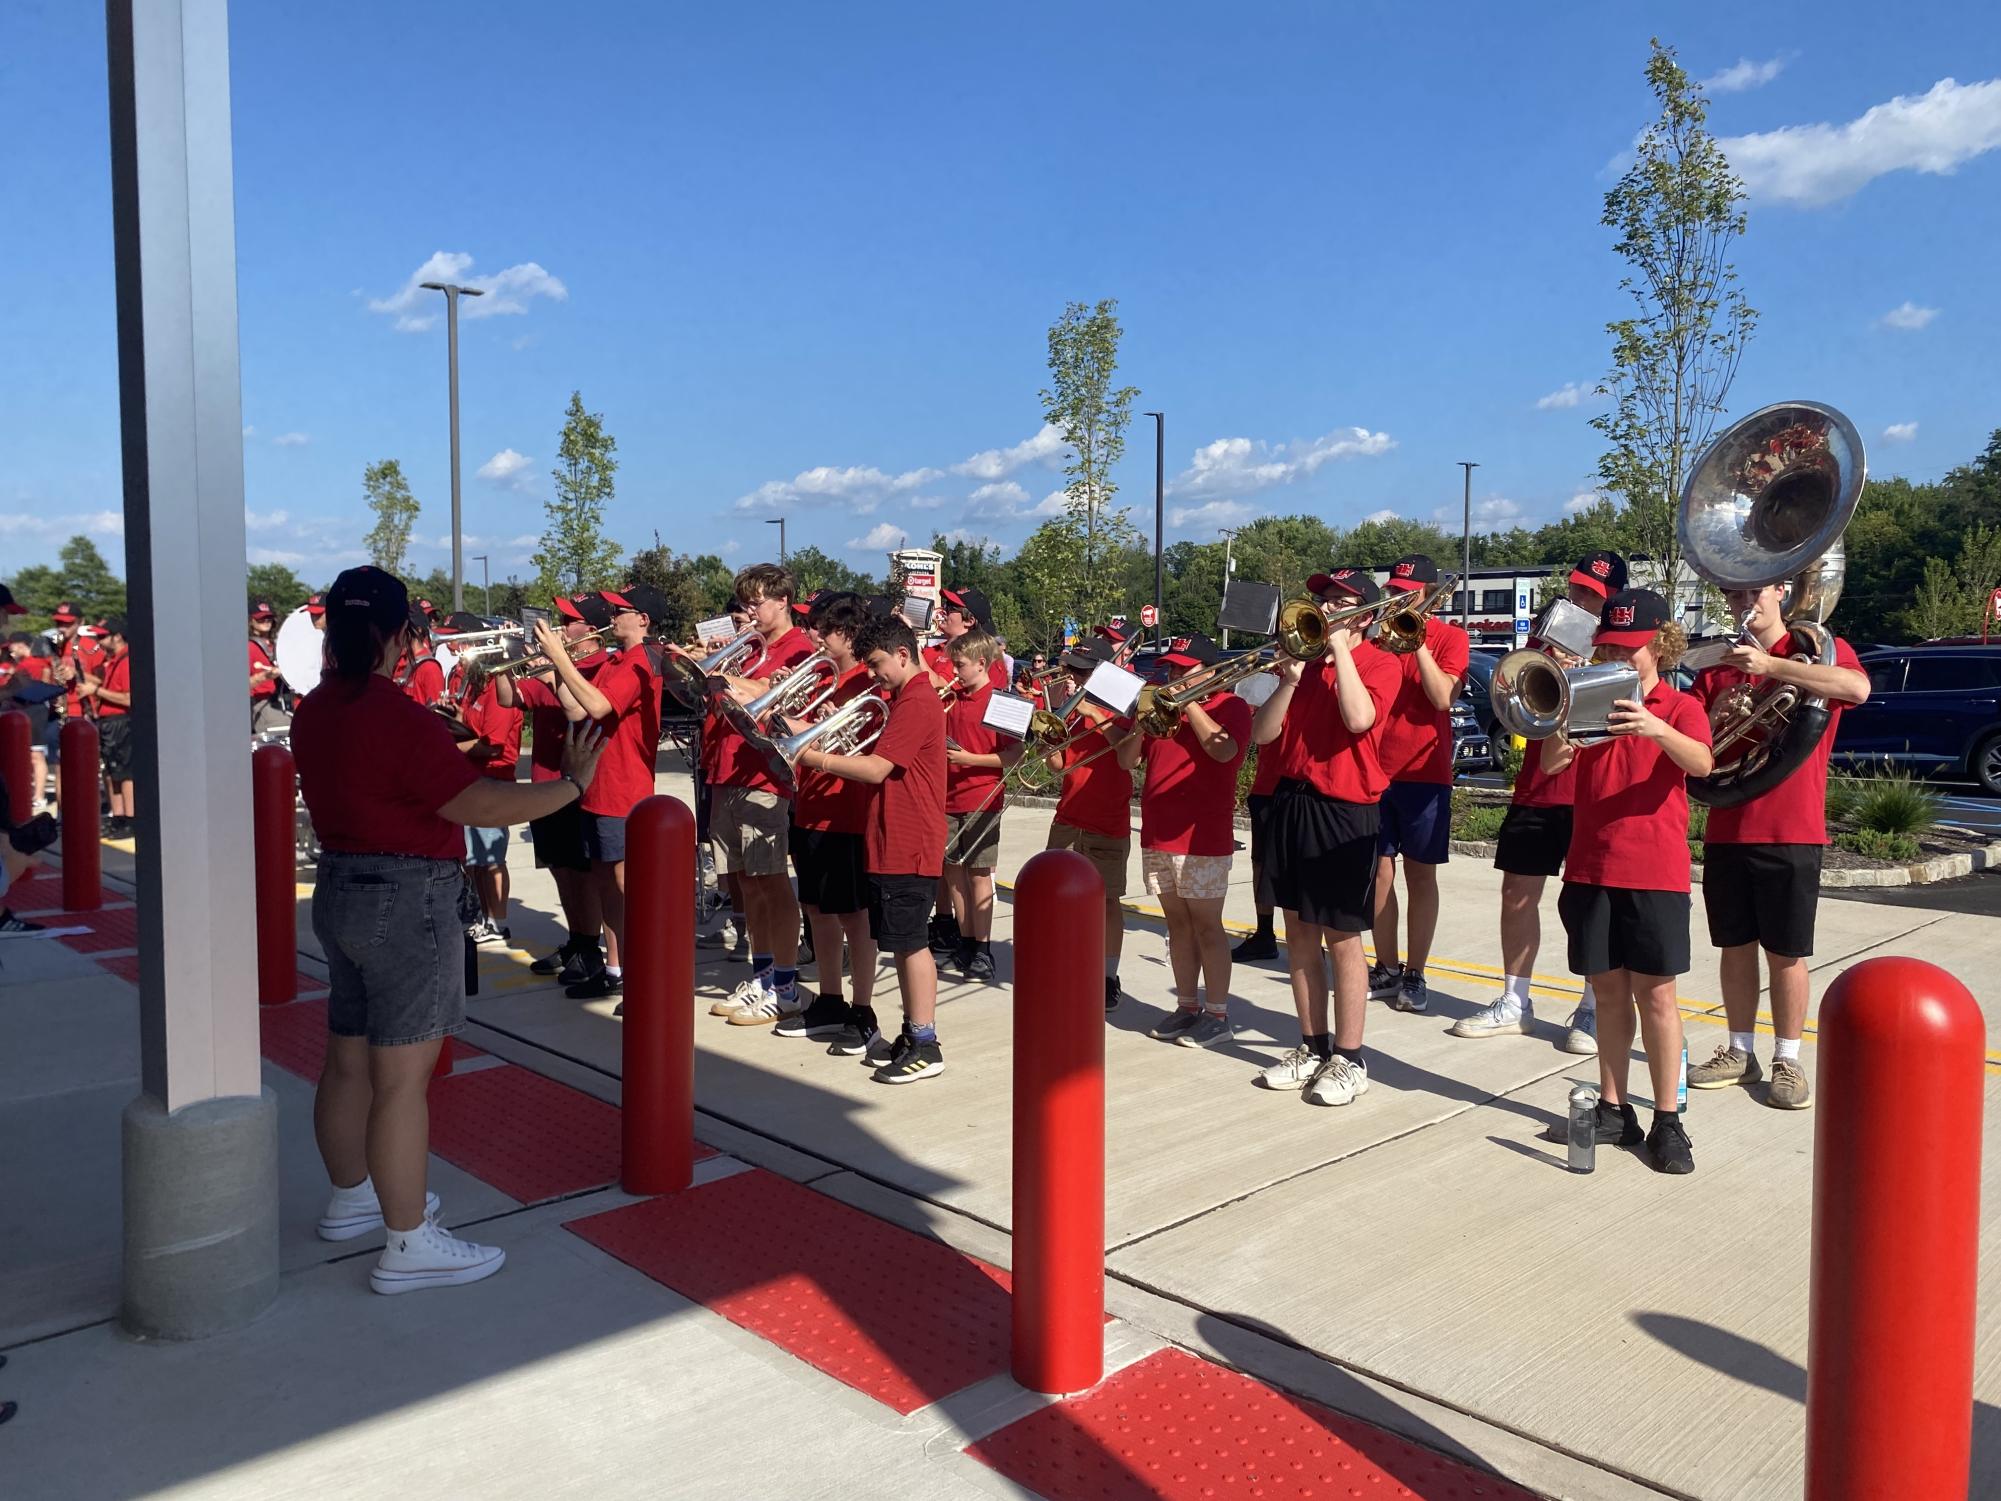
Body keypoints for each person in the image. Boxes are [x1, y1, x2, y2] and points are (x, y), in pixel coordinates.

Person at [292, 566, 605, 1294]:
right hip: (404, 895)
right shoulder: (394, 712)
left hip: (339, 885)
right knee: (402, 1082)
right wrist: (570, 786)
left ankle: (352, 1198)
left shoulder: (315, 707)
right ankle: (407, 1242)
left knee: (346, 1058)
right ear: (400, 633)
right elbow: (476, 801)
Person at [1544, 588, 1714, 1174]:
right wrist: (1557, 747)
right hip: (1590, 866)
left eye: (1630, 648)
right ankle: (1615, 1107)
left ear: (1659, 647)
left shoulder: (1678, 705)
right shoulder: (1584, 701)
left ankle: (1669, 1119)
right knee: (1609, 995)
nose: (1619, 656)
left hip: (1653, 871)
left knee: (1658, 998)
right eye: (1610, 646)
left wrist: (1653, 728)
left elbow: (1703, 763)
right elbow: (1547, 765)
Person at [1686, 584, 1869, 1110]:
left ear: (1781, 592)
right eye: (1735, 595)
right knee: (1734, 946)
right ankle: (1740, 1051)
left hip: (1792, 828)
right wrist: (1719, 710)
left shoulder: (1810, 651)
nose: (1746, 604)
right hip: (1727, 825)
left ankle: (1788, 1057)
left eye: (1754, 592)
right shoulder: (1716, 670)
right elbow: (1697, 750)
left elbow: (1855, 690)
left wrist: (1773, 668)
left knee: (1786, 953)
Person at [1451, 550, 1627, 1049]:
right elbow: (1513, 704)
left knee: (1590, 903)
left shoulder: (1619, 648)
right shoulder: (1546, 637)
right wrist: (1552, 663)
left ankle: (1592, 1006)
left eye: (1592, 594)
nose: (1580, 599)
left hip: (1593, 790)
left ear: (1612, 599)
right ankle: (1515, 1000)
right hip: (1538, 786)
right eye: (1577, 589)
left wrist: (1587, 669)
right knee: (1517, 894)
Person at [1250, 569, 1402, 1105]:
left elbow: (1360, 720)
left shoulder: (1382, 664)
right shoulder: (1306, 668)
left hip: (1346, 809)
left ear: (1363, 614)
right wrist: (1290, 679)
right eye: (1324, 600)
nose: (1327, 607)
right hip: (1294, 800)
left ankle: (1351, 1056)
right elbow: (1262, 735)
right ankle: (1311, 1045)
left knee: (1342, 937)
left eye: (1341, 602)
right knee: (1298, 931)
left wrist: (1339, 648)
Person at [796, 613, 948, 1082]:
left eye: (879, 663)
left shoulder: (918, 701)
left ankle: (926, 1042)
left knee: (910, 945)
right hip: (889, 839)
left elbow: (879, 768)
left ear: (903, 654)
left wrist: (812, 755)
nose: (874, 673)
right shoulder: (903, 698)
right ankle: (911, 1030)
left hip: (909, 841)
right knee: (900, 944)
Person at [535, 585, 670, 1011]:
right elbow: (576, 709)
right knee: (604, 883)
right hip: (596, 785)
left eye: (620, 610)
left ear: (643, 619)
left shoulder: (641, 661)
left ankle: (646, 975)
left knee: (625, 886)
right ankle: (616, 970)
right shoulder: (614, 659)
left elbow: (598, 706)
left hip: (623, 789)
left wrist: (559, 657)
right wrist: (552, 671)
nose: (612, 615)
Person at [1123, 632, 1252, 1049]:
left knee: (1207, 927)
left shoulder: (1231, 706)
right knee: (1176, 925)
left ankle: (1218, 1013)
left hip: (1202, 835)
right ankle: (1187, 1005)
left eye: (1184, 669)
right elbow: (1127, 762)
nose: (1174, 677)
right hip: (1159, 831)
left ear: (1208, 672)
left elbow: (1223, 751)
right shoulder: (1159, 712)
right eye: (1172, 669)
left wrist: (1191, 701)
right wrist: (1134, 723)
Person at [700, 564, 817, 1023]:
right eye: (746, 602)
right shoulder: (751, 648)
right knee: (745, 884)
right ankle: (763, 975)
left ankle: (785, 985)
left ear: (783, 601)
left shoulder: (798, 648)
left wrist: (723, 676)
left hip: (764, 778)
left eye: (758, 602)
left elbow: (771, 696)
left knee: (771, 883)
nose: (749, 612)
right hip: (727, 770)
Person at [767, 592, 882, 1042]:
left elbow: (875, 747)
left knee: (854, 916)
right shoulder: (821, 676)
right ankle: (830, 1000)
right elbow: (799, 734)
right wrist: (787, 709)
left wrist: (825, 726)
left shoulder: (867, 683)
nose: (815, 637)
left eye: (824, 631)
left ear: (848, 634)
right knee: (815, 908)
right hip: (810, 803)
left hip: (845, 812)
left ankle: (862, 1008)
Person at [1367, 555, 1470, 1015]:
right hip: (1375, 769)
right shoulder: (1376, 639)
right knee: (1379, 873)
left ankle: (1416, 971)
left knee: (1420, 874)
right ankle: (1386, 966)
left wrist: (1418, 642)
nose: (1396, 597)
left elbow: (1442, 697)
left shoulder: (1452, 637)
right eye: (1392, 590)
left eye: (1406, 590)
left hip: (1424, 774)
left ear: (1428, 592)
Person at [499, 593, 612, 986]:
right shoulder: (556, 664)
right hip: (546, 780)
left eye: (570, 621)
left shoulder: (599, 666)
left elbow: (576, 709)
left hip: (579, 783)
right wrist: (501, 661)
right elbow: (509, 698)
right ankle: (577, 939)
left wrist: (553, 669)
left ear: (593, 629)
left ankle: (590, 946)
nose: (562, 627)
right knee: (561, 871)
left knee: (584, 875)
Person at [1041, 637, 1134, 1011]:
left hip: (1107, 816)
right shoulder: (1068, 708)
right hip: (1068, 814)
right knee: (1058, 898)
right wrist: (1050, 741)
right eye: (1071, 670)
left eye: (1081, 670)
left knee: (1108, 902)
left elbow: (1129, 758)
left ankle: (1108, 977)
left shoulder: (1125, 704)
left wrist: (1098, 715)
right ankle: (1067, 965)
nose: (1072, 677)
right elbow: (1058, 767)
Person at [941, 626, 1009, 982]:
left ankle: (983, 951)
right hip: (948, 797)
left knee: (980, 875)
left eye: (961, 665)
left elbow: (1012, 757)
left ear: (981, 664)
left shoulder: (1001, 700)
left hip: (982, 798)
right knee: (953, 875)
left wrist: (968, 759)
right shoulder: (951, 698)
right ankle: (965, 942)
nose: (955, 672)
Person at [458, 641, 526, 947]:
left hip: (494, 780)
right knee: (477, 858)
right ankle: (483, 916)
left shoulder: (498, 696)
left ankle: (498, 922)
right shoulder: (477, 689)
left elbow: (493, 744)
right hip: (475, 779)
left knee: (492, 859)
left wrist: (454, 747)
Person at [1232, 687, 1285, 963]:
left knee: (1300, 866)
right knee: (1260, 864)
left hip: (1303, 786)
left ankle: (1311, 937)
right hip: (1266, 784)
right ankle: (1265, 933)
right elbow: (1255, 729)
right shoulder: (1269, 679)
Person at [79, 617, 136, 837]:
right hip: (109, 722)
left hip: (121, 722)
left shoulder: (127, 661)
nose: (99, 642)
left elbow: (129, 698)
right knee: (112, 772)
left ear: (118, 637)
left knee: (125, 772)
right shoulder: (111, 661)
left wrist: (96, 692)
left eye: (103, 637)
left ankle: (131, 819)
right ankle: (118, 816)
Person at [248, 600, 287, 733]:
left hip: (281, 702)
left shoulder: (277, 647)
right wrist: (265, 676)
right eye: (261, 618)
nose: (266, 621)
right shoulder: (248, 648)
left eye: (268, 618)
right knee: (291, 725)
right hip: (261, 705)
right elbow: (239, 687)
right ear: (250, 621)